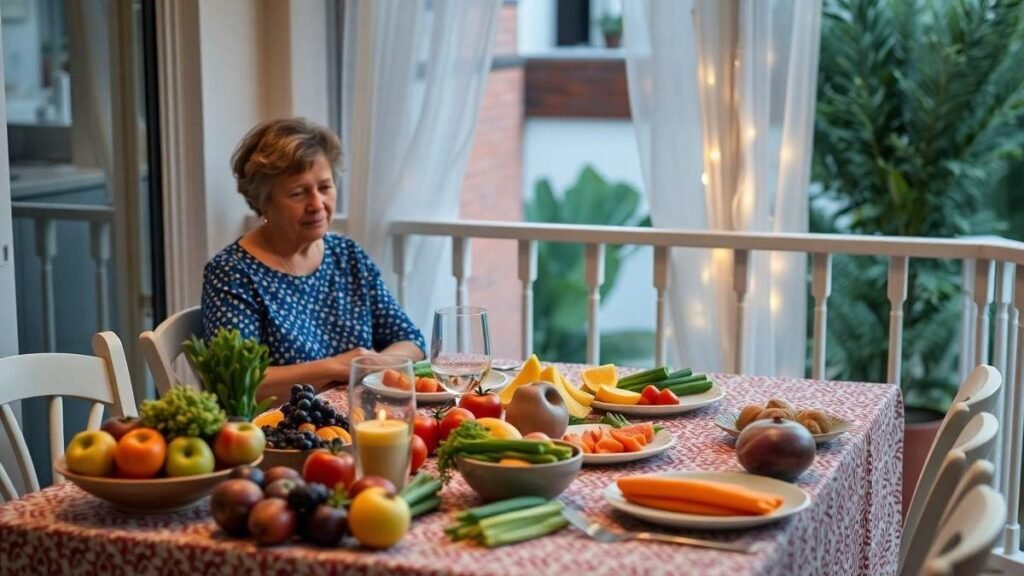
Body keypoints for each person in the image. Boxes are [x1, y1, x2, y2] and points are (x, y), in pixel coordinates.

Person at [201, 117, 425, 401]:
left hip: (359, 420)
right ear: (262, 201)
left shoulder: (348, 255)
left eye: (325, 187)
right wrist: (335, 367)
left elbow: (410, 342)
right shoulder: (232, 272)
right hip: (280, 434)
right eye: (298, 193)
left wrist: (372, 364)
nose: (317, 205)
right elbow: (237, 381)